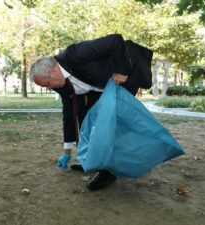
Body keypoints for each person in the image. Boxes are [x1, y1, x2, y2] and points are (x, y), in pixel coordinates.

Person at [29, 34, 153, 191]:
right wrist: (66, 151)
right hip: (100, 87)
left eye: (47, 84)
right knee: (86, 118)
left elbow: (115, 41)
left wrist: (123, 71)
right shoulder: (59, 84)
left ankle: (108, 172)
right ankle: (92, 160)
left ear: (52, 71)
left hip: (127, 72)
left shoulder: (76, 53)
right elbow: (69, 114)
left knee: (110, 124)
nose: (48, 88)